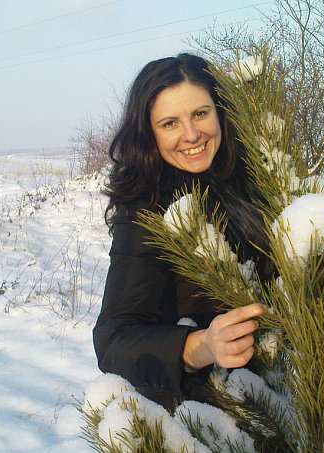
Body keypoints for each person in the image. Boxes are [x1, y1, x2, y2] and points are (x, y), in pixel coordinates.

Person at [93, 53, 271, 410]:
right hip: (206, 414)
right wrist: (201, 346)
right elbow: (113, 341)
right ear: (149, 133)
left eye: (200, 114)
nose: (191, 135)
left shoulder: (255, 179)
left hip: (282, 399)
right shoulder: (147, 212)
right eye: (170, 123)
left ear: (220, 113)